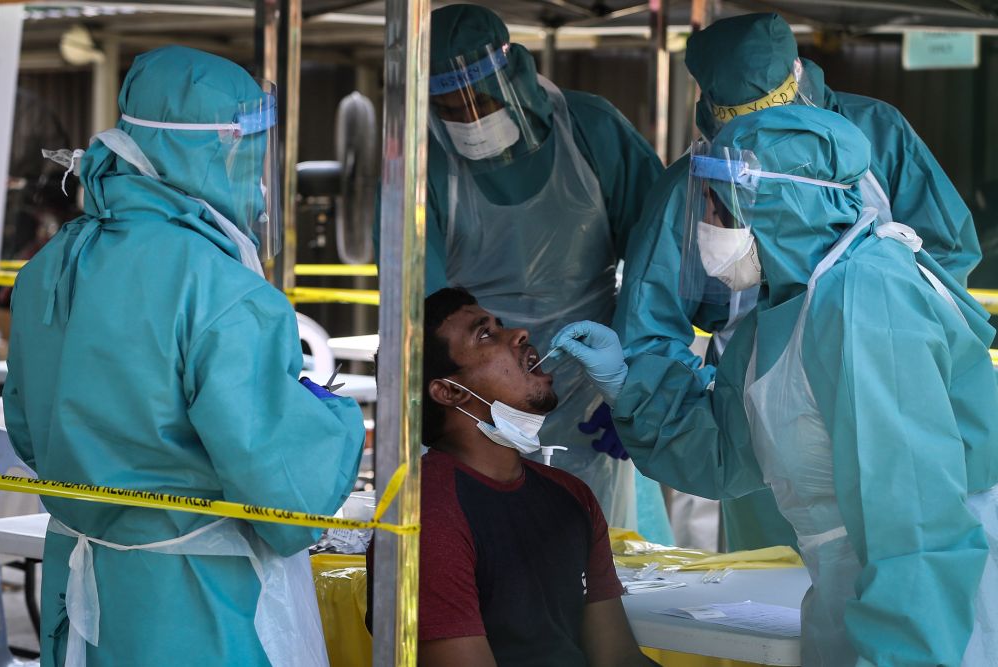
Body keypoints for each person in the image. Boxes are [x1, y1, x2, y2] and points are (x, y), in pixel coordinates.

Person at [554, 105, 998, 665]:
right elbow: (726, 452)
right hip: (856, 597)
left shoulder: (869, 297)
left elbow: (915, 525)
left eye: (716, 206)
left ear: (776, 205)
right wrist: (628, 383)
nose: (705, 223)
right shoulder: (785, 309)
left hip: (943, 617)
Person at [4, 46, 367, 666]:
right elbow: (284, 491)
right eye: (245, 150)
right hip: (199, 603)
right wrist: (333, 418)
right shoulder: (223, 290)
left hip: (84, 587)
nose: (253, 171)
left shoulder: (48, 269)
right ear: (208, 151)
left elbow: (31, 432)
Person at [613, 11, 982, 551]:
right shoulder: (697, 184)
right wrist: (672, 404)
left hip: (869, 389)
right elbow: (651, 325)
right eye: (731, 211)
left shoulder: (876, 139)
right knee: (779, 602)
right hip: (760, 411)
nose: (729, 221)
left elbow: (944, 256)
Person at [374, 4, 668, 532]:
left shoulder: (592, 131)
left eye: (479, 101)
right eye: (447, 107)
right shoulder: (420, 161)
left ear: (516, 76)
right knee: (486, 543)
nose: (467, 119)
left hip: (588, 383)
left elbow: (656, 270)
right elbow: (423, 311)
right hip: (478, 394)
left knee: (589, 548)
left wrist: (636, 387)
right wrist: (452, 406)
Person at [369, 288, 655, 667]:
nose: (519, 333)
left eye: (499, 325)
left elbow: (617, 657)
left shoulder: (572, 496)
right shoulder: (424, 516)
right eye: (484, 333)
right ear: (449, 391)